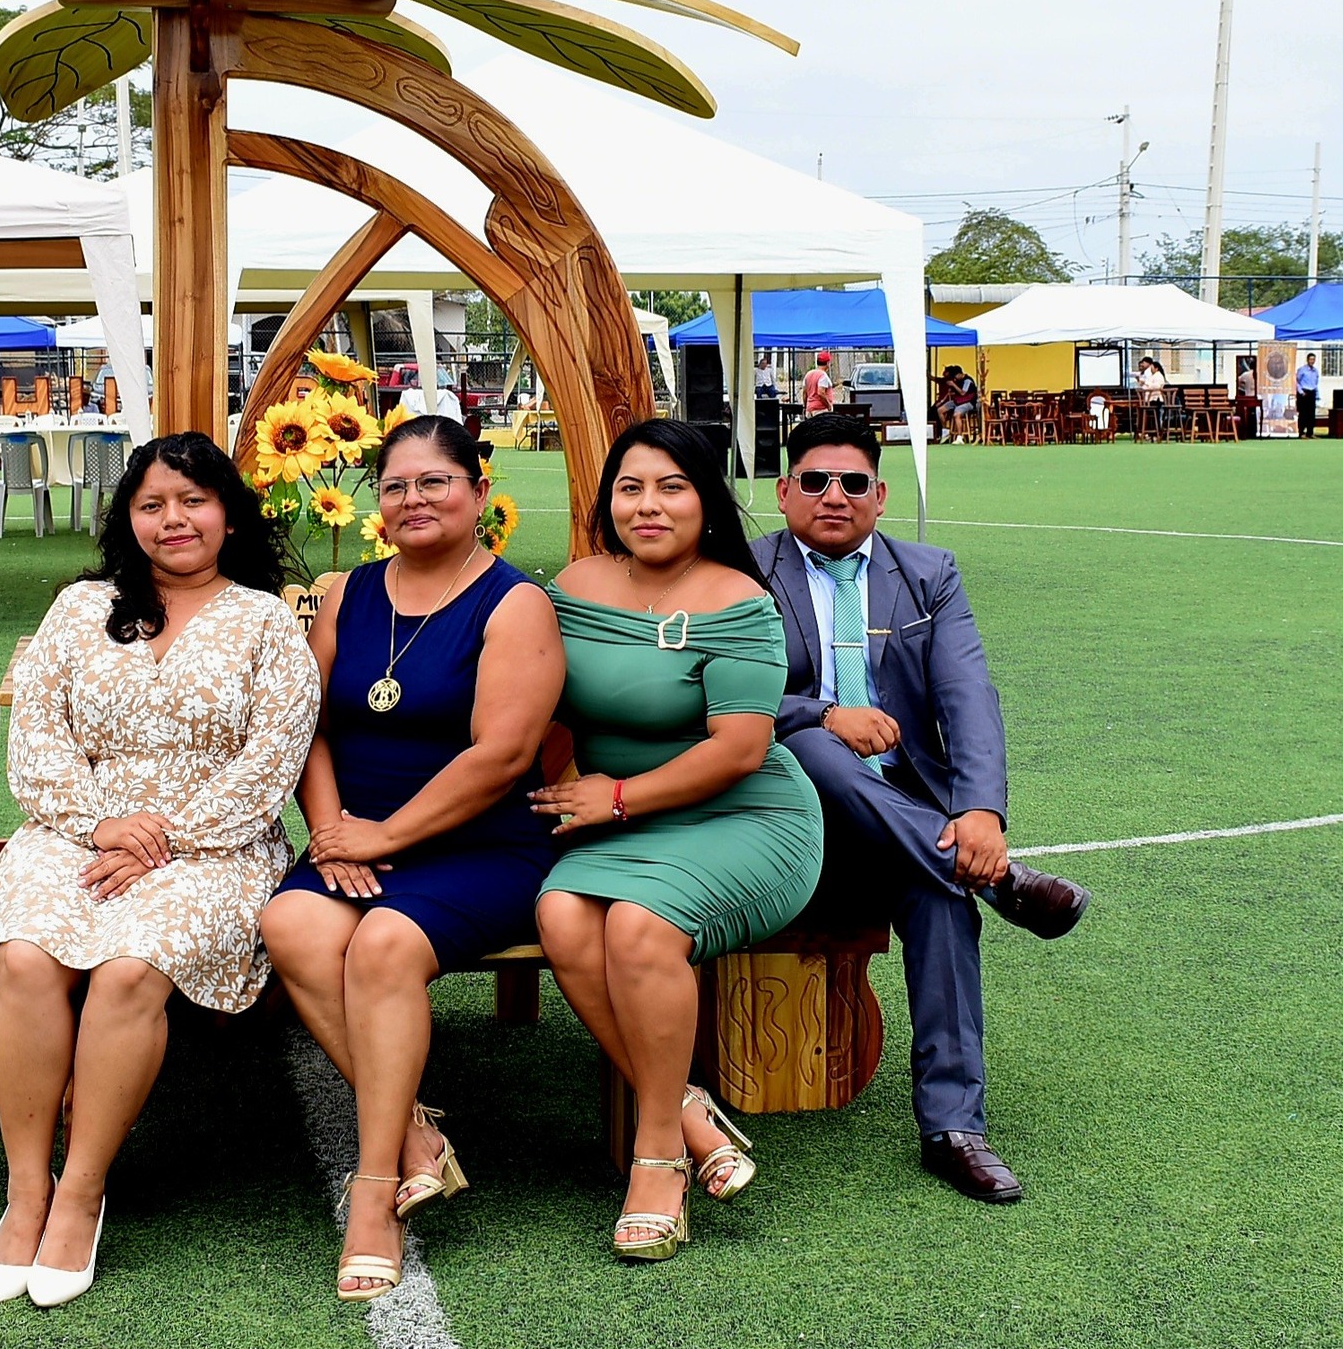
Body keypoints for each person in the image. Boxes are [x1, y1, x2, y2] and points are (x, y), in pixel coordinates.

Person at [0, 432, 320, 1310]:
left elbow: (272, 762)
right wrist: (101, 825)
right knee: (26, 954)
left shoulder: (267, 620)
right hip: (76, 829)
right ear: (128, 517)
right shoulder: (80, 607)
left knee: (131, 967)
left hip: (216, 843)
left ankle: (81, 1191)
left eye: (194, 500)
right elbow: (37, 737)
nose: (174, 519)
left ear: (228, 513)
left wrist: (162, 838)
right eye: (153, 504)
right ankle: (26, 1190)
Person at [260, 415, 564, 1302]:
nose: (413, 499)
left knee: (384, 943)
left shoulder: (515, 603)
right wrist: (330, 830)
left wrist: (384, 837)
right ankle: (414, 1133)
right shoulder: (349, 593)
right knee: (290, 920)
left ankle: (373, 1190)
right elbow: (308, 722)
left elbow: (503, 755)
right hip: (357, 837)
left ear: (479, 491)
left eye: (436, 481)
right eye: (395, 485)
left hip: (480, 844)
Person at [751, 413, 1090, 1204]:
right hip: (784, 813)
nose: (834, 495)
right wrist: (823, 714)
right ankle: (1000, 882)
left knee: (941, 893)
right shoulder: (746, 569)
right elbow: (725, 694)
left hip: (901, 814)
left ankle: (953, 1128)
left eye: (853, 482)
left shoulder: (929, 573)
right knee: (814, 749)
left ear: (880, 495)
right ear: (785, 491)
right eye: (814, 480)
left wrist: (981, 813)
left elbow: (968, 695)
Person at [529, 420, 822, 1263]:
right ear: (607, 501)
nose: (647, 506)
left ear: (706, 500)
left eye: (671, 487)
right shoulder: (576, 584)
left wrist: (616, 795)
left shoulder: (738, 600)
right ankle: (690, 1109)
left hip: (746, 817)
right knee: (561, 913)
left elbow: (739, 749)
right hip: (623, 820)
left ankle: (656, 1156)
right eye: (630, 488)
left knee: (637, 925)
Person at [934, 365, 978, 444]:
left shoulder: (967, 380)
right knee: (940, 410)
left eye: (955, 376)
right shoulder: (957, 380)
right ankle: (945, 431)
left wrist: (953, 384)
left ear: (959, 374)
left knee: (956, 414)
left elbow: (963, 393)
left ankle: (960, 437)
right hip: (957, 401)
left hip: (968, 402)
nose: (955, 378)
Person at [801, 351, 835, 415]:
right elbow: (820, 392)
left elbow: (804, 393)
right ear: (827, 363)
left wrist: (805, 406)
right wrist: (828, 405)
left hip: (809, 409)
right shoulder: (823, 375)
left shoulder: (808, 374)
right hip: (821, 410)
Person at [1297, 352, 1320, 437]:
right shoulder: (1302, 370)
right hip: (1304, 393)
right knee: (1303, 413)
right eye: (1310, 359)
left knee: (1311, 414)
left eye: (1313, 359)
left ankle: (1310, 432)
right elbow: (1297, 381)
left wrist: (1317, 394)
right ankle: (1301, 432)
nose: (1312, 361)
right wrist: (1301, 392)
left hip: (1312, 393)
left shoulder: (1315, 371)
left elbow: (1316, 383)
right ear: (1307, 360)